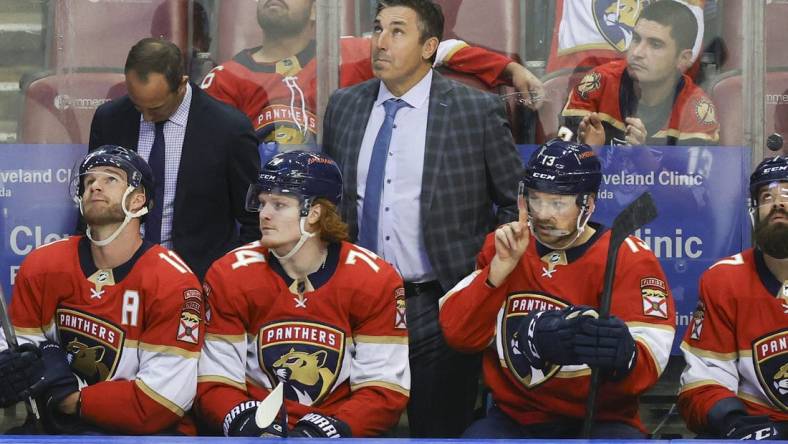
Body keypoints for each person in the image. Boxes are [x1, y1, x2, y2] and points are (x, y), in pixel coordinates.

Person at [321, 0, 524, 437]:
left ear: (430, 45)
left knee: (438, 429)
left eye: (397, 31)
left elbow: (514, 204)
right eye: (377, 29)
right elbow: (329, 201)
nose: (379, 42)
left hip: (439, 300)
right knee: (350, 427)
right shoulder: (344, 106)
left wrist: (479, 279)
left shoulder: (476, 111)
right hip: (355, 304)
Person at [439, 138, 676, 438]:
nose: (542, 214)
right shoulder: (506, 246)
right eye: (536, 199)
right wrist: (497, 271)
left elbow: (651, 357)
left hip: (603, 420)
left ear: (587, 203)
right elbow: (459, 335)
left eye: (557, 202)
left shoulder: (628, 257)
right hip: (516, 418)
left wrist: (625, 355)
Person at [195, 151, 408, 437]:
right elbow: (216, 381)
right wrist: (248, 424)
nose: (264, 214)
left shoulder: (374, 279)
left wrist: (327, 432)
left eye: (279, 204)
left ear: (315, 212)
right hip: (256, 430)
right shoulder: (230, 273)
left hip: (336, 432)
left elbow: (382, 389)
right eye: (262, 203)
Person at [0, 146, 203, 434]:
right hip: (61, 427)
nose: (95, 185)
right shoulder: (43, 264)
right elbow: (19, 352)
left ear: (138, 199)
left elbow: (163, 401)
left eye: (110, 178)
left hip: (145, 434)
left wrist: (70, 399)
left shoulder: (173, 282)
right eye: (88, 181)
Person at [200, 0, 544, 147]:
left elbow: (439, 50)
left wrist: (510, 68)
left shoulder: (349, 52)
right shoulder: (224, 79)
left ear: (317, 11)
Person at [89, 37, 260, 280]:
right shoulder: (110, 120)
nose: (146, 118)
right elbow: (92, 199)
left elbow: (253, 219)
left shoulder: (229, 130)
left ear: (181, 85)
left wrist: (231, 279)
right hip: (120, 277)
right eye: (138, 105)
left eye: (156, 108)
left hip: (199, 280)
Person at [678, 155, 788, 440]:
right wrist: (732, 422)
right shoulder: (725, 280)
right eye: (767, 196)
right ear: (753, 212)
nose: (778, 203)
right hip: (756, 429)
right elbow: (703, 382)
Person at [562, 0, 719, 147]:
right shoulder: (598, 85)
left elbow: (696, 176)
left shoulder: (696, 109)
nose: (637, 52)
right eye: (636, 39)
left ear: (683, 59)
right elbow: (557, 158)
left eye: (655, 45)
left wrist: (644, 160)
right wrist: (587, 152)